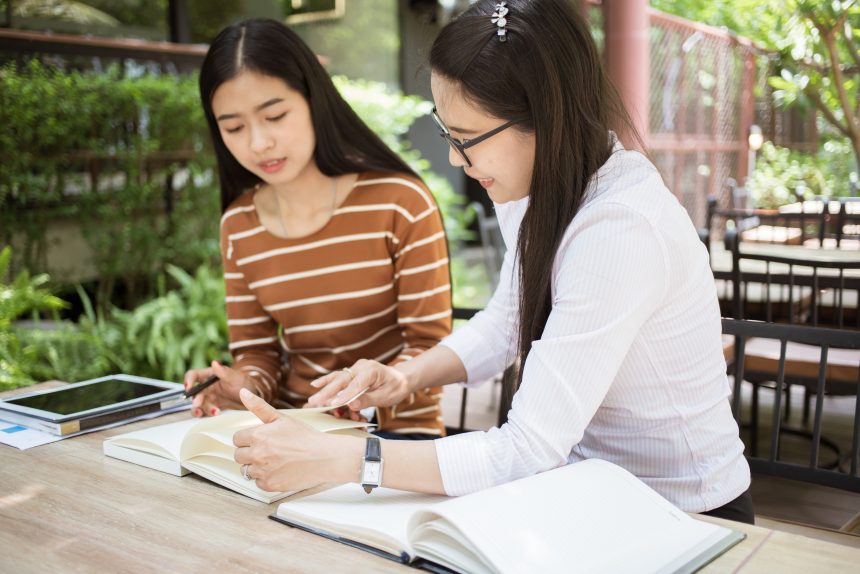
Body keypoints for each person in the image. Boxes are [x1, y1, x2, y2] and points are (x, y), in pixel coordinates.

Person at [233, 0, 754, 523]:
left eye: (467, 140)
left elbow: (526, 450)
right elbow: (505, 323)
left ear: (547, 117)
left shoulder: (620, 227)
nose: (458, 160)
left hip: (684, 513)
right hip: (587, 491)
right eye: (447, 135)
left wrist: (344, 458)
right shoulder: (535, 189)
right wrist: (404, 377)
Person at [184, 18, 452, 440]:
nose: (258, 143)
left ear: (314, 100)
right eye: (234, 127)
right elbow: (258, 354)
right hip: (295, 434)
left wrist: (365, 395)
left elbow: (432, 351)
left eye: (274, 116)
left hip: (396, 440)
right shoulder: (239, 225)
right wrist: (245, 385)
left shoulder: (400, 203)